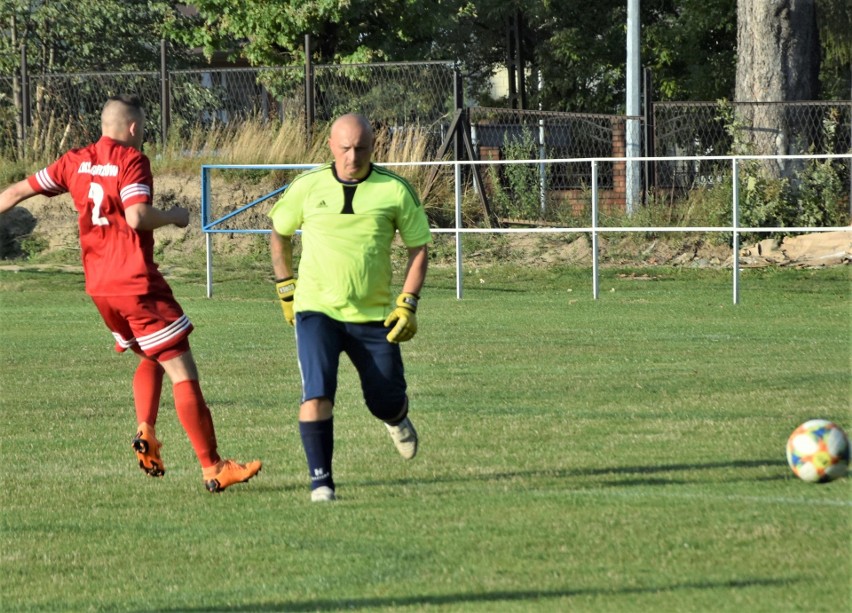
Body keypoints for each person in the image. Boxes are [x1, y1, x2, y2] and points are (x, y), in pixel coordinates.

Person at [0, 95, 261, 493]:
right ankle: (213, 467)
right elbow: (138, 216)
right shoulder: (131, 160)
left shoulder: (74, 160)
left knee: (151, 355)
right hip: (135, 282)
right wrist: (174, 217)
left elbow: (17, 190)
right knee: (182, 370)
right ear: (134, 128)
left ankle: (147, 432)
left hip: (100, 288)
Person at [269, 113, 431, 502]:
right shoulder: (308, 186)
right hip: (316, 311)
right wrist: (286, 291)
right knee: (316, 394)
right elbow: (279, 234)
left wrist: (407, 303)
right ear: (331, 146)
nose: (352, 156)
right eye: (344, 148)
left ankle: (395, 416)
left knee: (384, 401)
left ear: (373, 148)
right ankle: (321, 483)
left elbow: (419, 247)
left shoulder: (394, 190)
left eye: (361, 148)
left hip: (375, 316)